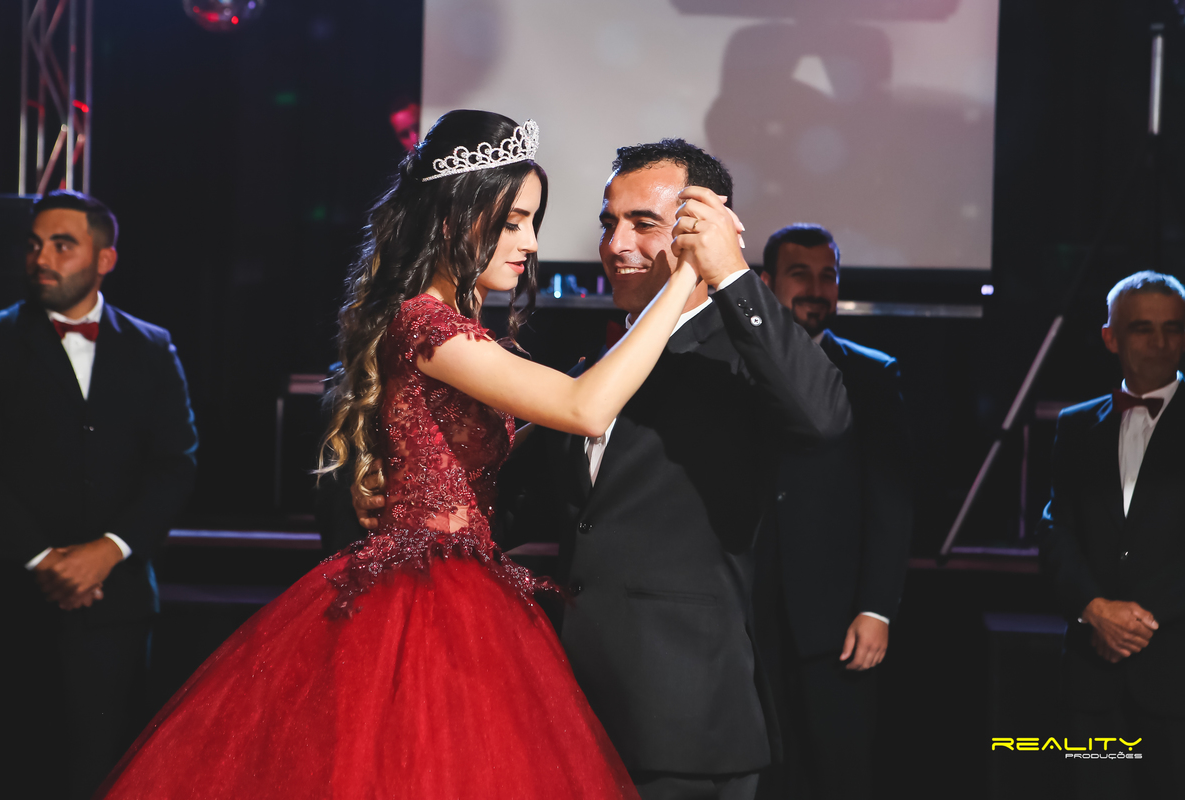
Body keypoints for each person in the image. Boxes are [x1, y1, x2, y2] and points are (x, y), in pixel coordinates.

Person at [95, 110, 727, 799]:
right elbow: (583, 408)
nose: (530, 243)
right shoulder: (426, 323)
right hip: (427, 595)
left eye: (532, 222)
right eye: (513, 222)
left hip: (464, 580)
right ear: (454, 221)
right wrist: (683, 281)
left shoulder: (451, 325)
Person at [359, 139, 853, 799]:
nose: (616, 244)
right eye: (608, 223)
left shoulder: (742, 355)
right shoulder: (600, 366)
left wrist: (731, 275)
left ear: (699, 229)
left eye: (643, 224)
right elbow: (525, 496)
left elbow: (824, 418)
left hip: (686, 719)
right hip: (568, 709)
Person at [0, 190, 198, 800]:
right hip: (10, 597)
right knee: (11, 766)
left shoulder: (152, 346)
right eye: (34, 245)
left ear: (105, 259)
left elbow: (175, 465)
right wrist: (43, 559)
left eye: (62, 245)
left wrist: (107, 551)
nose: (41, 258)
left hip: (117, 603)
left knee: (105, 773)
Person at [755, 223, 913, 799]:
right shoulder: (732, 363)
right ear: (766, 282)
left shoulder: (873, 373)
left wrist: (876, 609)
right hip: (744, 616)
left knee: (838, 775)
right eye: (801, 274)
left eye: (828, 276)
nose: (817, 289)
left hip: (836, 623)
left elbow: (890, 501)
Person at [1039, 271, 1185, 799]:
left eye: (1173, 328)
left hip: (1176, 671)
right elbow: (1056, 527)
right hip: (1091, 675)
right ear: (1111, 337)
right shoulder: (1076, 425)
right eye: (1143, 328)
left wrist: (1136, 622)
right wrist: (1095, 609)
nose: (1161, 342)